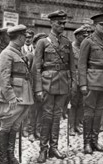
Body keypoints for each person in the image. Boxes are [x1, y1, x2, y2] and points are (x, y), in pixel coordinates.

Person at [34, 11, 75, 163]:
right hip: (47, 84)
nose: (62, 26)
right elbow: (36, 68)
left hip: (63, 83)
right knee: (47, 116)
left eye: (64, 23)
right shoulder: (43, 42)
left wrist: (72, 85)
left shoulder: (66, 42)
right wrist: (38, 88)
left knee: (57, 116)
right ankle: (43, 149)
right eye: (59, 23)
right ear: (51, 23)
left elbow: (72, 67)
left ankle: (54, 147)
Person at [78, 13, 103, 154]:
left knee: (99, 113)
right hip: (92, 81)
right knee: (89, 113)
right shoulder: (88, 41)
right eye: (102, 25)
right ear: (95, 26)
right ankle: (86, 143)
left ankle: (95, 141)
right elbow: (82, 64)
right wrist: (82, 84)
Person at [0, 25, 34, 164]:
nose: (26, 38)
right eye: (25, 36)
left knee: (15, 127)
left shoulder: (18, 52)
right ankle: (3, 158)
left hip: (24, 97)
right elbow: (3, 78)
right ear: (19, 37)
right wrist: (11, 97)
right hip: (12, 98)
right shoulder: (7, 54)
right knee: (6, 127)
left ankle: (10, 155)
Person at [68, 26, 88, 136]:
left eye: (85, 36)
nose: (84, 38)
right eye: (82, 36)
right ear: (77, 36)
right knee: (73, 103)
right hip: (73, 76)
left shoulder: (84, 48)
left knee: (81, 103)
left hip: (83, 77)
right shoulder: (71, 48)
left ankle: (77, 125)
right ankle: (71, 126)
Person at [28, 33, 48, 142]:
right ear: (35, 44)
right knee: (32, 111)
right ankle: (31, 132)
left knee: (42, 110)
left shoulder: (47, 58)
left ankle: (38, 130)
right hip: (32, 87)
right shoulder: (31, 56)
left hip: (44, 86)